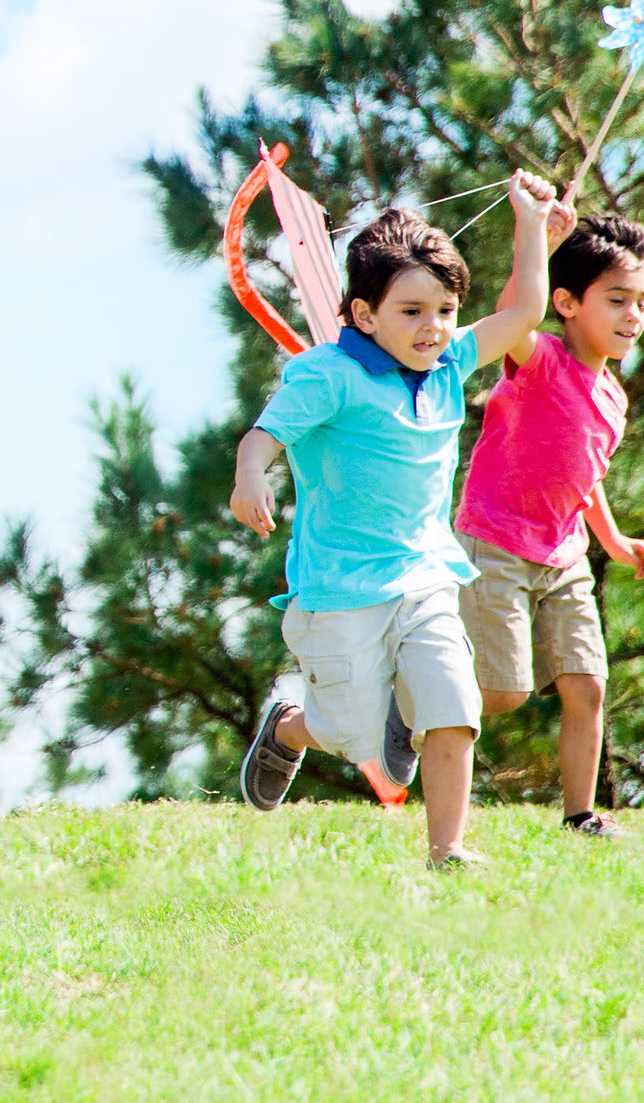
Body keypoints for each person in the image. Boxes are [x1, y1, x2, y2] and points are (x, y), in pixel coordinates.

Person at [231, 176, 561, 871]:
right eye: (412, 310)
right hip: (340, 590)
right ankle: (290, 730)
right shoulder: (327, 374)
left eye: (445, 309)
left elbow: (526, 310)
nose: (433, 327)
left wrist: (532, 225)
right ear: (363, 312)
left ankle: (447, 852)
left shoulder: (446, 366)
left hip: (425, 577)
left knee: (454, 705)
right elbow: (263, 435)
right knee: (349, 736)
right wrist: (250, 474)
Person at [455, 212, 644, 838]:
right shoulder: (539, 358)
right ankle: (403, 705)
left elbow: (585, 472)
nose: (633, 315)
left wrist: (612, 539)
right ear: (566, 301)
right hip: (495, 543)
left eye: (642, 302)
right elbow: (512, 316)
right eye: (617, 299)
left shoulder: (613, 399)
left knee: (587, 685)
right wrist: (534, 238)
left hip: (563, 556)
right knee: (503, 694)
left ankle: (581, 816)